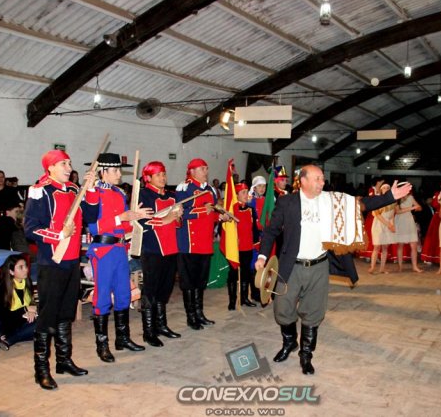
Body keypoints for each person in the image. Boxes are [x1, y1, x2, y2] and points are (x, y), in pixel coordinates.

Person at [255, 165, 411, 375]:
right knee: (282, 308)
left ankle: (306, 355)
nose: (322, 183)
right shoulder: (287, 202)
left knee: (313, 312)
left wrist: (390, 196)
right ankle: (289, 342)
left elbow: (362, 204)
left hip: (319, 267)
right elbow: (271, 231)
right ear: (303, 181)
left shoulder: (331, 200)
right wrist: (262, 257)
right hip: (291, 266)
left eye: (322, 178)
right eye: (317, 179)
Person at [24, 150, 97, 390]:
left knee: (66, 313)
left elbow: (92, 216)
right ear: (51, 167)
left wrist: (90, 189)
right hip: (52, 262)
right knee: (48, 316)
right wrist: (58, 234)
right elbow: (30, 228)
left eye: (69, 163)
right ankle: (41, 369)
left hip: (72, 260)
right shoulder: (40, 191)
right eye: (63, 163)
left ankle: (64, 360)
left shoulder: (75, 189)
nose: (69, 167)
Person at [83, 153, 150, 361]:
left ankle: (123, 338)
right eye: (115, 170)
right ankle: (102, 345)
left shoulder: (119, 193)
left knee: (124, 295)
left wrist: (135, 217)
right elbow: (94, 227)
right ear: (103, 172)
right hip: (103, 250)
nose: (119, 174)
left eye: (119, 170)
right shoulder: (93, 193)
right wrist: (121, 217)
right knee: (102, 298)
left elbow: (124, 226)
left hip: (120, 250)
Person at [176, 159, 229, 330]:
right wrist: (201, 210)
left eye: (206, 168)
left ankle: (199, 313)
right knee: (189, 282)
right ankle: (191, 316)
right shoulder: (184, 188)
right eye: (202, 169)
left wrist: (219, 217)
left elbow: (210, 214)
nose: (206, 171)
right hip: (189, 244)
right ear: (192, 171)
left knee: (200, 281)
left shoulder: (210, 190)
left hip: (205, 243)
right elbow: (179, 213)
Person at [138, 161, 183, 347]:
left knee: (165, 290)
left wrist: (178, 217)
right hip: (153, 249)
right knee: (150, 291)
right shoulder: (143, 195)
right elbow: (142, 222)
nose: (163, 178)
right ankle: (148, 331)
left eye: (164, 174)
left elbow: (177, 224)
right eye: (158, 175)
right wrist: (167, 218)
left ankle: (161, 325)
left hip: (171, 248)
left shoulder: (172, 196)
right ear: (148, 178)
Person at [222, 182, 257, 310]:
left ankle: (244, 298)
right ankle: (232, 300)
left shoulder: (250, 210)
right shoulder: (232, 210)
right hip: (235, 247)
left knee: (246, 272)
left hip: (248, 246)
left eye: (247, 192)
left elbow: (254, 228)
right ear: (236, 195)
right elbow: (225, 228)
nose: (246, 195)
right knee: (233, 273)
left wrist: (256, 243)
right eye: (243, 192)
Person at [0, 255, 36, 351]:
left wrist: (32, 310)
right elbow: (4, 316)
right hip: (7, 323)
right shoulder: (3, 288)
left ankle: (9, 338)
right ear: (11, 272)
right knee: (41, 326)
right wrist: (25, 309)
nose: (26, 270)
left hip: (23, 320)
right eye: (21, 267)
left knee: (48, 321)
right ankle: (10, 339)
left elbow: (31, 303)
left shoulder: (26, 281)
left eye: (25, 266)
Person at [368, 184, 396, 274]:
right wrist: (389, 224)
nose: (386, 189)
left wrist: (392, 225)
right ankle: (372, 267)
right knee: (376, 247)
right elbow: (377, 215)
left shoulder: (392, 201)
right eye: (384, 188)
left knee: (385, 247)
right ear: (381, 190)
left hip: (388, 225)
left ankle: (382, 268)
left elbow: (392, 215)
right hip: (378, 224)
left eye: (388, 188)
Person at [421, 180, 441, 264]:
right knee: (434, 237)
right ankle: (431, 257)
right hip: (437, 218)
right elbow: (434, 205)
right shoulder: (437, 194)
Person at [394, 192, 423, 273]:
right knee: (400, 245)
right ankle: (400, 266)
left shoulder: (410, 197)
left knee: (414, 245)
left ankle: (415, 266)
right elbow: (398, 211)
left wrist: (418, 208)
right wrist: (412, 208)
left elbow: (419, 207)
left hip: (409, 221)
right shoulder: (397, 197)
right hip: (400, 221)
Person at [360, 177, 384, 262]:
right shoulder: (371, 190)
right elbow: (371, 200)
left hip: (380, 215)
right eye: (382, 182)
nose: (383, 183)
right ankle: (368, 254)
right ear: (378, 182)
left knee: (378, 235)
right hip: (372, 215)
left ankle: (376, 255)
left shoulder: (381, 191)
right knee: (370, 234)